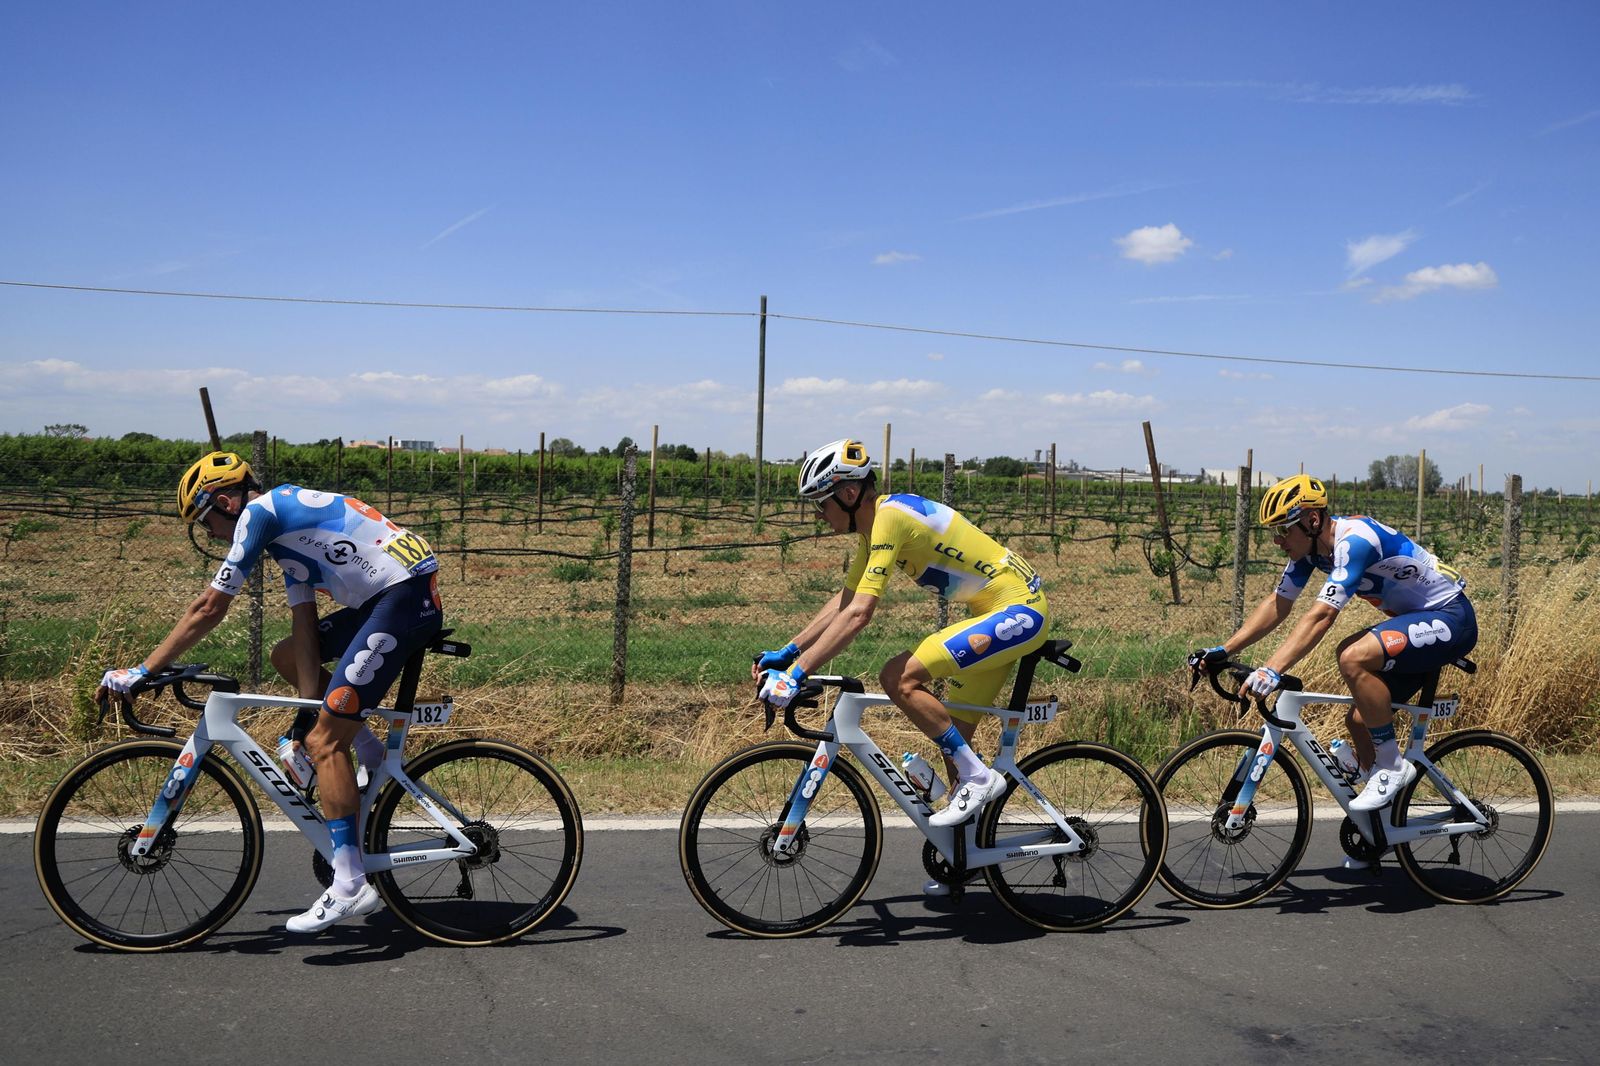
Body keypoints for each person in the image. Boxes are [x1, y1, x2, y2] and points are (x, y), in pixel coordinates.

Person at [96, 451, 443, 932]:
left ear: (224, 501)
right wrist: (304, 716)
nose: (213, 535)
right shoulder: (287, 541)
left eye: (207, 522)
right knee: (288, 662)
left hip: (402, 599)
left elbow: (209, 607)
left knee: (326, 744)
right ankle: (364, 749)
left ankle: (349, 885)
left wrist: (142, 670)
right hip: (386, 598)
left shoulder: (260, 515)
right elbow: (304, 631)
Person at [752, 438, 1050, 892]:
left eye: (821, 503)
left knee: (898, 676)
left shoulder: (889, 518)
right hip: (991, 612)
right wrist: (789, 652)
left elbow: (859, 615)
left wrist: (797, 675)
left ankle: (979, 779)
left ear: (849, 494)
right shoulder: (875, 527)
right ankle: (966, 860)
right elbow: (845, 600)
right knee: (957, 743)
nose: (819, 514)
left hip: (1019, 609)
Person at [1195, 474, 1476, 826]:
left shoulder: (1355, 541)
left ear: (1312, 520)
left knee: (1352, 656)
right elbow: (1278, 605)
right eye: (1274, 533)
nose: (1279, 541)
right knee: (1360, 720)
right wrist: (1223, 649)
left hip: (1451, 619)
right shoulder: (1311, 553)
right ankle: (1380, 831)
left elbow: (1322, 615)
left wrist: (1272, 668)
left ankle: (1391, 766)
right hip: (1419, 623)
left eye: (1284, 530)